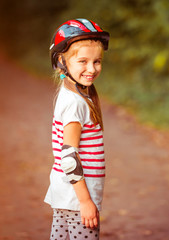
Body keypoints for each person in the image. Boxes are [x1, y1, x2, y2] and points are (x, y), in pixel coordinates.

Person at [44, 18, 110, 240]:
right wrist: (85, 202)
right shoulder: (76, 102)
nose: (91, 69)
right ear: (62, 60)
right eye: (83, 61)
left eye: (97, 61)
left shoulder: (68, 94)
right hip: (77, 199)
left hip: (65, 194)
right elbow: (69, 156)